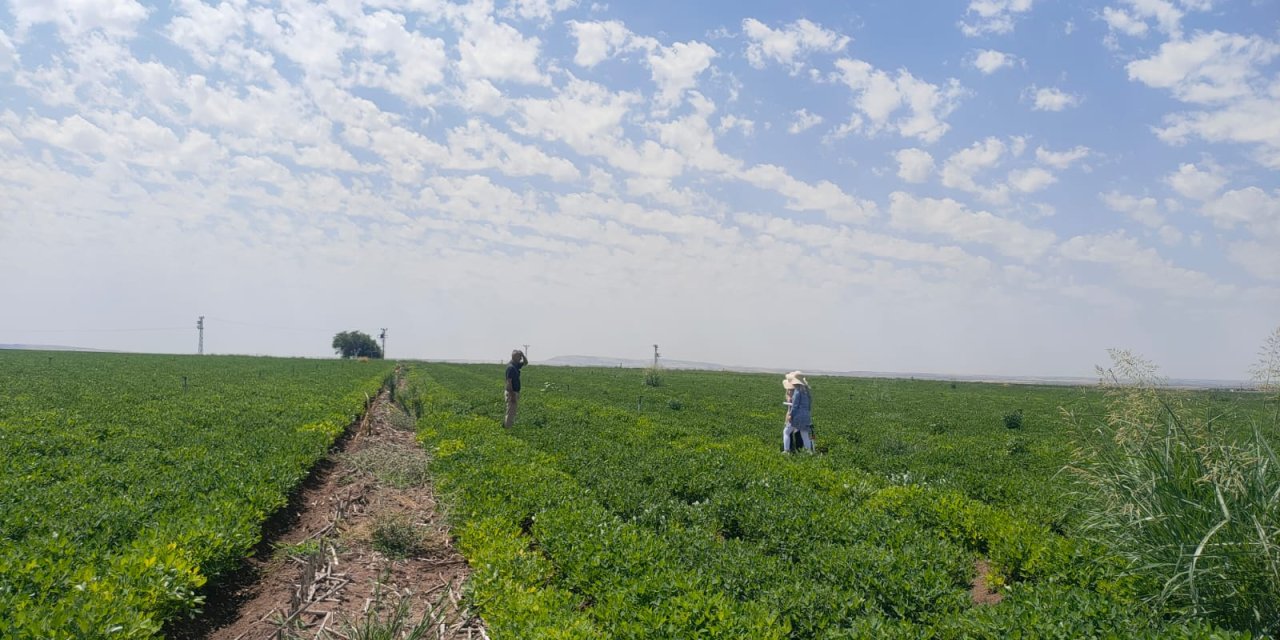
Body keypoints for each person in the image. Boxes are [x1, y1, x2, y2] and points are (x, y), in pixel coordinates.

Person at [783, 371, 814, 453]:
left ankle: (786, 451)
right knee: (805, 436)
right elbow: (809, 405)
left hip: (797, 417)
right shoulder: (806, 391)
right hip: (806, 416)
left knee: (786, 432)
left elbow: (795, 405)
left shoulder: (797, 391)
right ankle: (809, 452)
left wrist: (791, 415)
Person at [504, 349, 527, 428]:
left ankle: (508, 427)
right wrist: (512, 395)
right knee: (510, 412)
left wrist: (523, 355)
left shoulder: (515, 365)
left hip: (514, 392)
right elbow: (509, 382)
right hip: (512, 392)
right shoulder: (511, 367)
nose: (521, 358)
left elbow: (525, 363)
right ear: (515, 357)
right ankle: (507, 430)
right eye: (519, 357)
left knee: (512, 411)